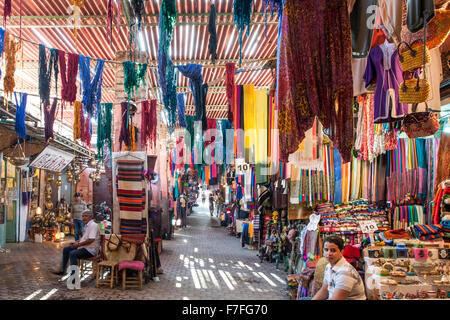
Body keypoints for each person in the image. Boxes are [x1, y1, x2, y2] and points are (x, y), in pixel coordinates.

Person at [312, 236, 366, 300]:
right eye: (326, 250)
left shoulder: (345, 272)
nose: (329, 254)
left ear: (341, 252)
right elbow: (324, 290)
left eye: (333, 250)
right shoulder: (328, 267)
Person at [51, 209, 100, 275]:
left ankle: (74, 276)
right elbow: (85, 238)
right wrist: (77, 242)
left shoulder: (93, 225)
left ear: (90, 217)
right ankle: (63, 270)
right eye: (83, 216)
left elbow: (91, 239)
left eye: (86, 216)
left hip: (90, 250)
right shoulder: (87, 226)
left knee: (73, 254)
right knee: (66, 249)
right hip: (84, 247)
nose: (83, 218)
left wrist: (78, 244)